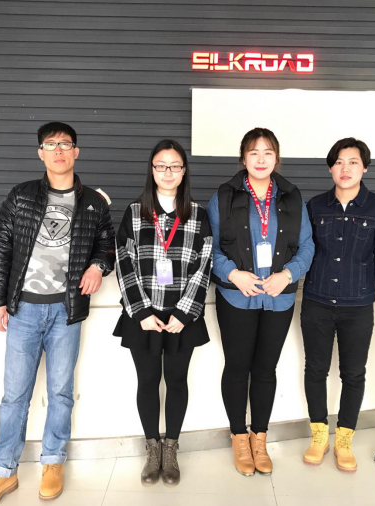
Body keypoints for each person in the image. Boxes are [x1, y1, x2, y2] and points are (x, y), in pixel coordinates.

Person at [0, 122, 115, 505]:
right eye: (50, 144)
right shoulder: (21, 196)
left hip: (66, 311)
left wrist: (97, 266)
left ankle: (53, 461)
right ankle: (3, 472)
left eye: (65, 144)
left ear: (76, 151)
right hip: (23, 310)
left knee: (61, 392)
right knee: (14, 396)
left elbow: (107, 245)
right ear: (40, 152)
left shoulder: (94, 202)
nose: (58, 150)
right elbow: (1, 249)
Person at [208, 128, 315, 477]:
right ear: (243, 158)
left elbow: (308, 245)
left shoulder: (292, 197)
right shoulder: (223, 197)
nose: (260, 159)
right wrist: (233, 274)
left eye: (267, 152)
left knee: (266, 369)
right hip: (236, 297)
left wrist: (287, 275)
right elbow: (210, 247)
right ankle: (239, 437)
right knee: (237, 368)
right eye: (253, 152)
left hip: (279, 298)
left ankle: (260, 438)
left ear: (277, 158)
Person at [113, 139, 213, 488]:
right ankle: (152, 448)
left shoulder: (198, 215)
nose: (168, 172)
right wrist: (140, 311)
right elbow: (123, 262)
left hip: (181, 317)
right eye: (161, 165)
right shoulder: (134, 212)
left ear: (184, 171)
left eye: (175, 166)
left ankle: (171, 449)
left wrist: (184, 314)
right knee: (147, 381)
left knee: (177, 380)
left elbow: (204, 265)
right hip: (143, 315)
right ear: (152, 170)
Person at [301, 138, 375, 472]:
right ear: (330, 168)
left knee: (353, 373)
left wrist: (364, 287)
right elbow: (305, 250)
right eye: (339, 162)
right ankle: (319, 434)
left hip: (357, 307)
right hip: (317, 301)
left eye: (353, 162)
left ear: (364, 167)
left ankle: (344, 439)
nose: (345, 168)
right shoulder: (315, 206)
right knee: (315, 369)